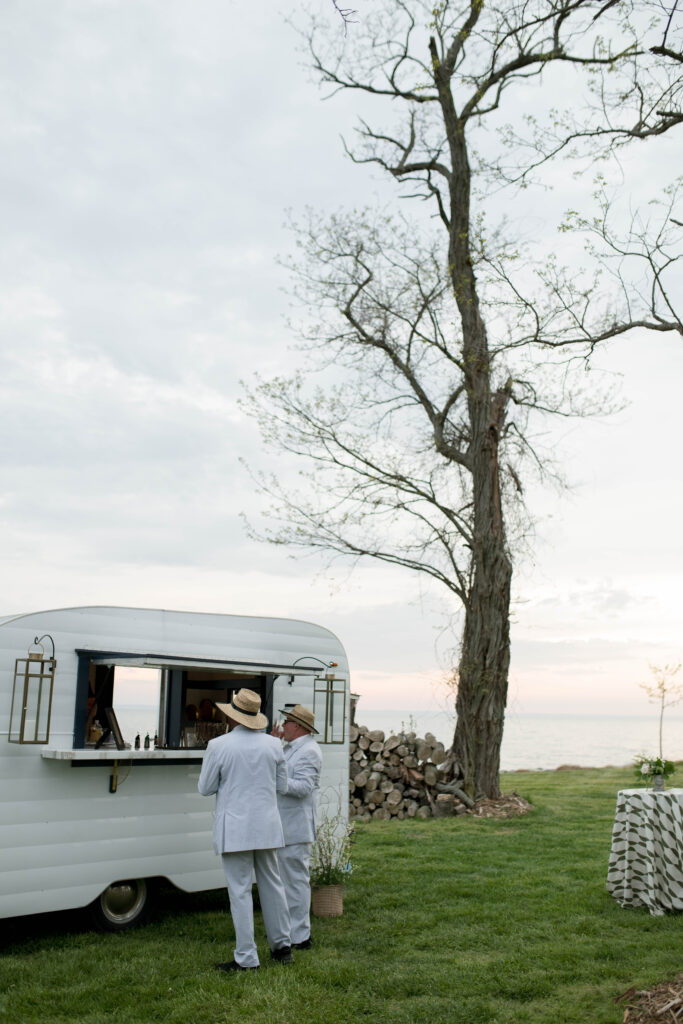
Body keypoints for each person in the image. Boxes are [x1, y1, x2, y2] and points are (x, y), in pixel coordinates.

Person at [197, 688, 294, 972]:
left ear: (233, 716)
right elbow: (282, 787)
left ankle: (247, 957)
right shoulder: (274, 746)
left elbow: (205, 788)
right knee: (273, 885)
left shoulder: (218, 746)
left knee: (239, 892)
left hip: (235, 826)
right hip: (266, 825)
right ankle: (282, 947)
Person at [272, 704, 323, 950]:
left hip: (296, 827)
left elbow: (303, 788)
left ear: (299, 726)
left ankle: (301, 936)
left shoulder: (309, 751)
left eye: (287, 723)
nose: (283, 726)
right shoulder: (291, 748)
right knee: (285, 882)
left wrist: (279, 782)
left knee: (295, 882)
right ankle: (289, 932)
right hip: (285, 826)